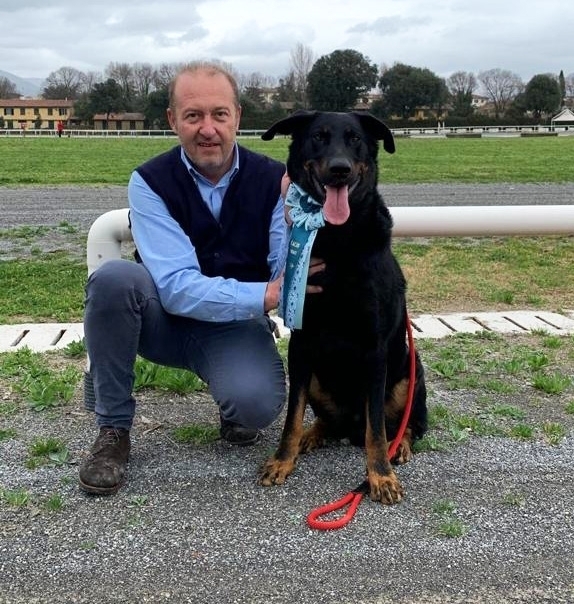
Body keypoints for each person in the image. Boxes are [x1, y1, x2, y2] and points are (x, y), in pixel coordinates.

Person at [79, 62, 288, 495]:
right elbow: (174, 287)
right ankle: (113, 428)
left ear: (238, 117)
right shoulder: (149, 181)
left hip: (235, 324)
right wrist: (265, 296)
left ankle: (234, 405)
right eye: (193, 116)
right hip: (163, 319)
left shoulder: (276, 180)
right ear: (173, 120)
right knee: (115, 279)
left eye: (219, 114)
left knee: (256, 406)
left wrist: (298, 223)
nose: (207, 129)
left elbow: (284, 270)